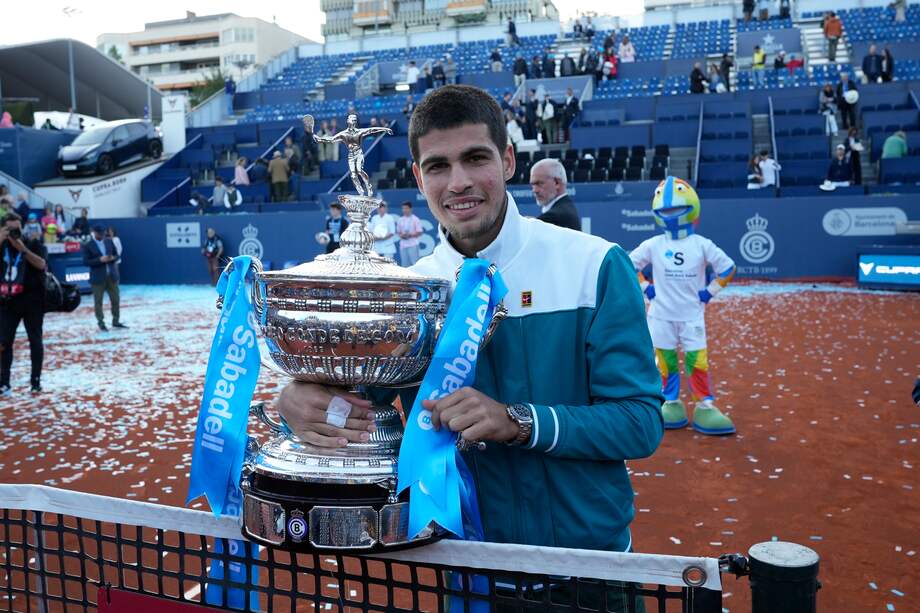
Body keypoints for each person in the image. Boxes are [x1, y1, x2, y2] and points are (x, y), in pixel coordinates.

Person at [275, 86, 663, 606]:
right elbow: (352, 410)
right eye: (437, 166)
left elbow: (639, 422)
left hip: (591, 576)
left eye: (475, 158)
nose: (457, 183)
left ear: (506, 160)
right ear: (418, 177)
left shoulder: (595, 265)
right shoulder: (404, 295)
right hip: (466, 576)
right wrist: (294, 405)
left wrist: (518, 421)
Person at [630, 177, 737, 435]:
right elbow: (628, 264)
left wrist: (708, 293)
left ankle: (705, 406)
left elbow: (728, 267)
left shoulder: (702, 245)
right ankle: (671, 402)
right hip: (661, 317)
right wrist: (646, 288)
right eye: (665, 210)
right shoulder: (654, 245)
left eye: (675, 208)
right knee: (664, 362)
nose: (670, 213)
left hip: (691, 317)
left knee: (697, 361)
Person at [0, 212, 47, 396]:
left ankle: (35, 381)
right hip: (7, 301)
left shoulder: (32, 242)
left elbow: (42, 264)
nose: (13, 233)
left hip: (32, 301)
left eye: (17, 229)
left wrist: (22, 248)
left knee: (35, 341)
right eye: (9, 229)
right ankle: (4, 383)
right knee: (4, 343)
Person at [83, 224, 124, 331]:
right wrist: (100, 260)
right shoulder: (88, 245)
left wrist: (112, 258)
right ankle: (101, 323)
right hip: (97, 278)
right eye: (100, 233)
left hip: (111, 276)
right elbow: (86, 262)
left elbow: (117, 255)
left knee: (116, 299)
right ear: (94, 233)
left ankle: (116, 321)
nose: (102, 235)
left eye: (103, 233)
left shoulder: (109, 241)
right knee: (98, 302)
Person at [530, 158, 580, 231]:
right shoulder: (566, 208)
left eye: (539, 183)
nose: (534, 190)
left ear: (557, 183)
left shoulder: (553, 217)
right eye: (533, 185)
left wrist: (528, 225)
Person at [396, 201, 423, 267]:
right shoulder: (400, 220)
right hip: (403, 245)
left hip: (413, 244)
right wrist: (401, 235)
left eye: (406, 208)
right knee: (404, 264)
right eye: (403, 208)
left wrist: (410, 235)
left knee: (415, 264)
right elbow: (398, 232)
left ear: (411, 209)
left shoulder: (415, 219)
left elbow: (419, 232)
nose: (404, 210)